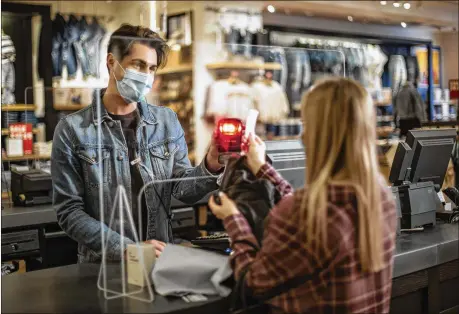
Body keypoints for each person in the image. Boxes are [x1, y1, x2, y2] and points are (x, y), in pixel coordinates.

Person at [209, 78, 397, 313]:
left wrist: (233, 220)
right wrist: (260, 166)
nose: (302, 135)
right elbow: (301, 210)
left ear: (317, 135)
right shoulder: (380, 196)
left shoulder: (306, 214)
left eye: (306, 126)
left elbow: (254, 282)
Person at [52, 24, 223, 263]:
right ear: (112, 62)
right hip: (104, 268)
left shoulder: (166, 121)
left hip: (160, 260)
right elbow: (69, 212)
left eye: (151, 68)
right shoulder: (73, 130)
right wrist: (125, 249)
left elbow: (181, 188)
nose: (146, 76)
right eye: (138, 65)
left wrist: (210, 167)